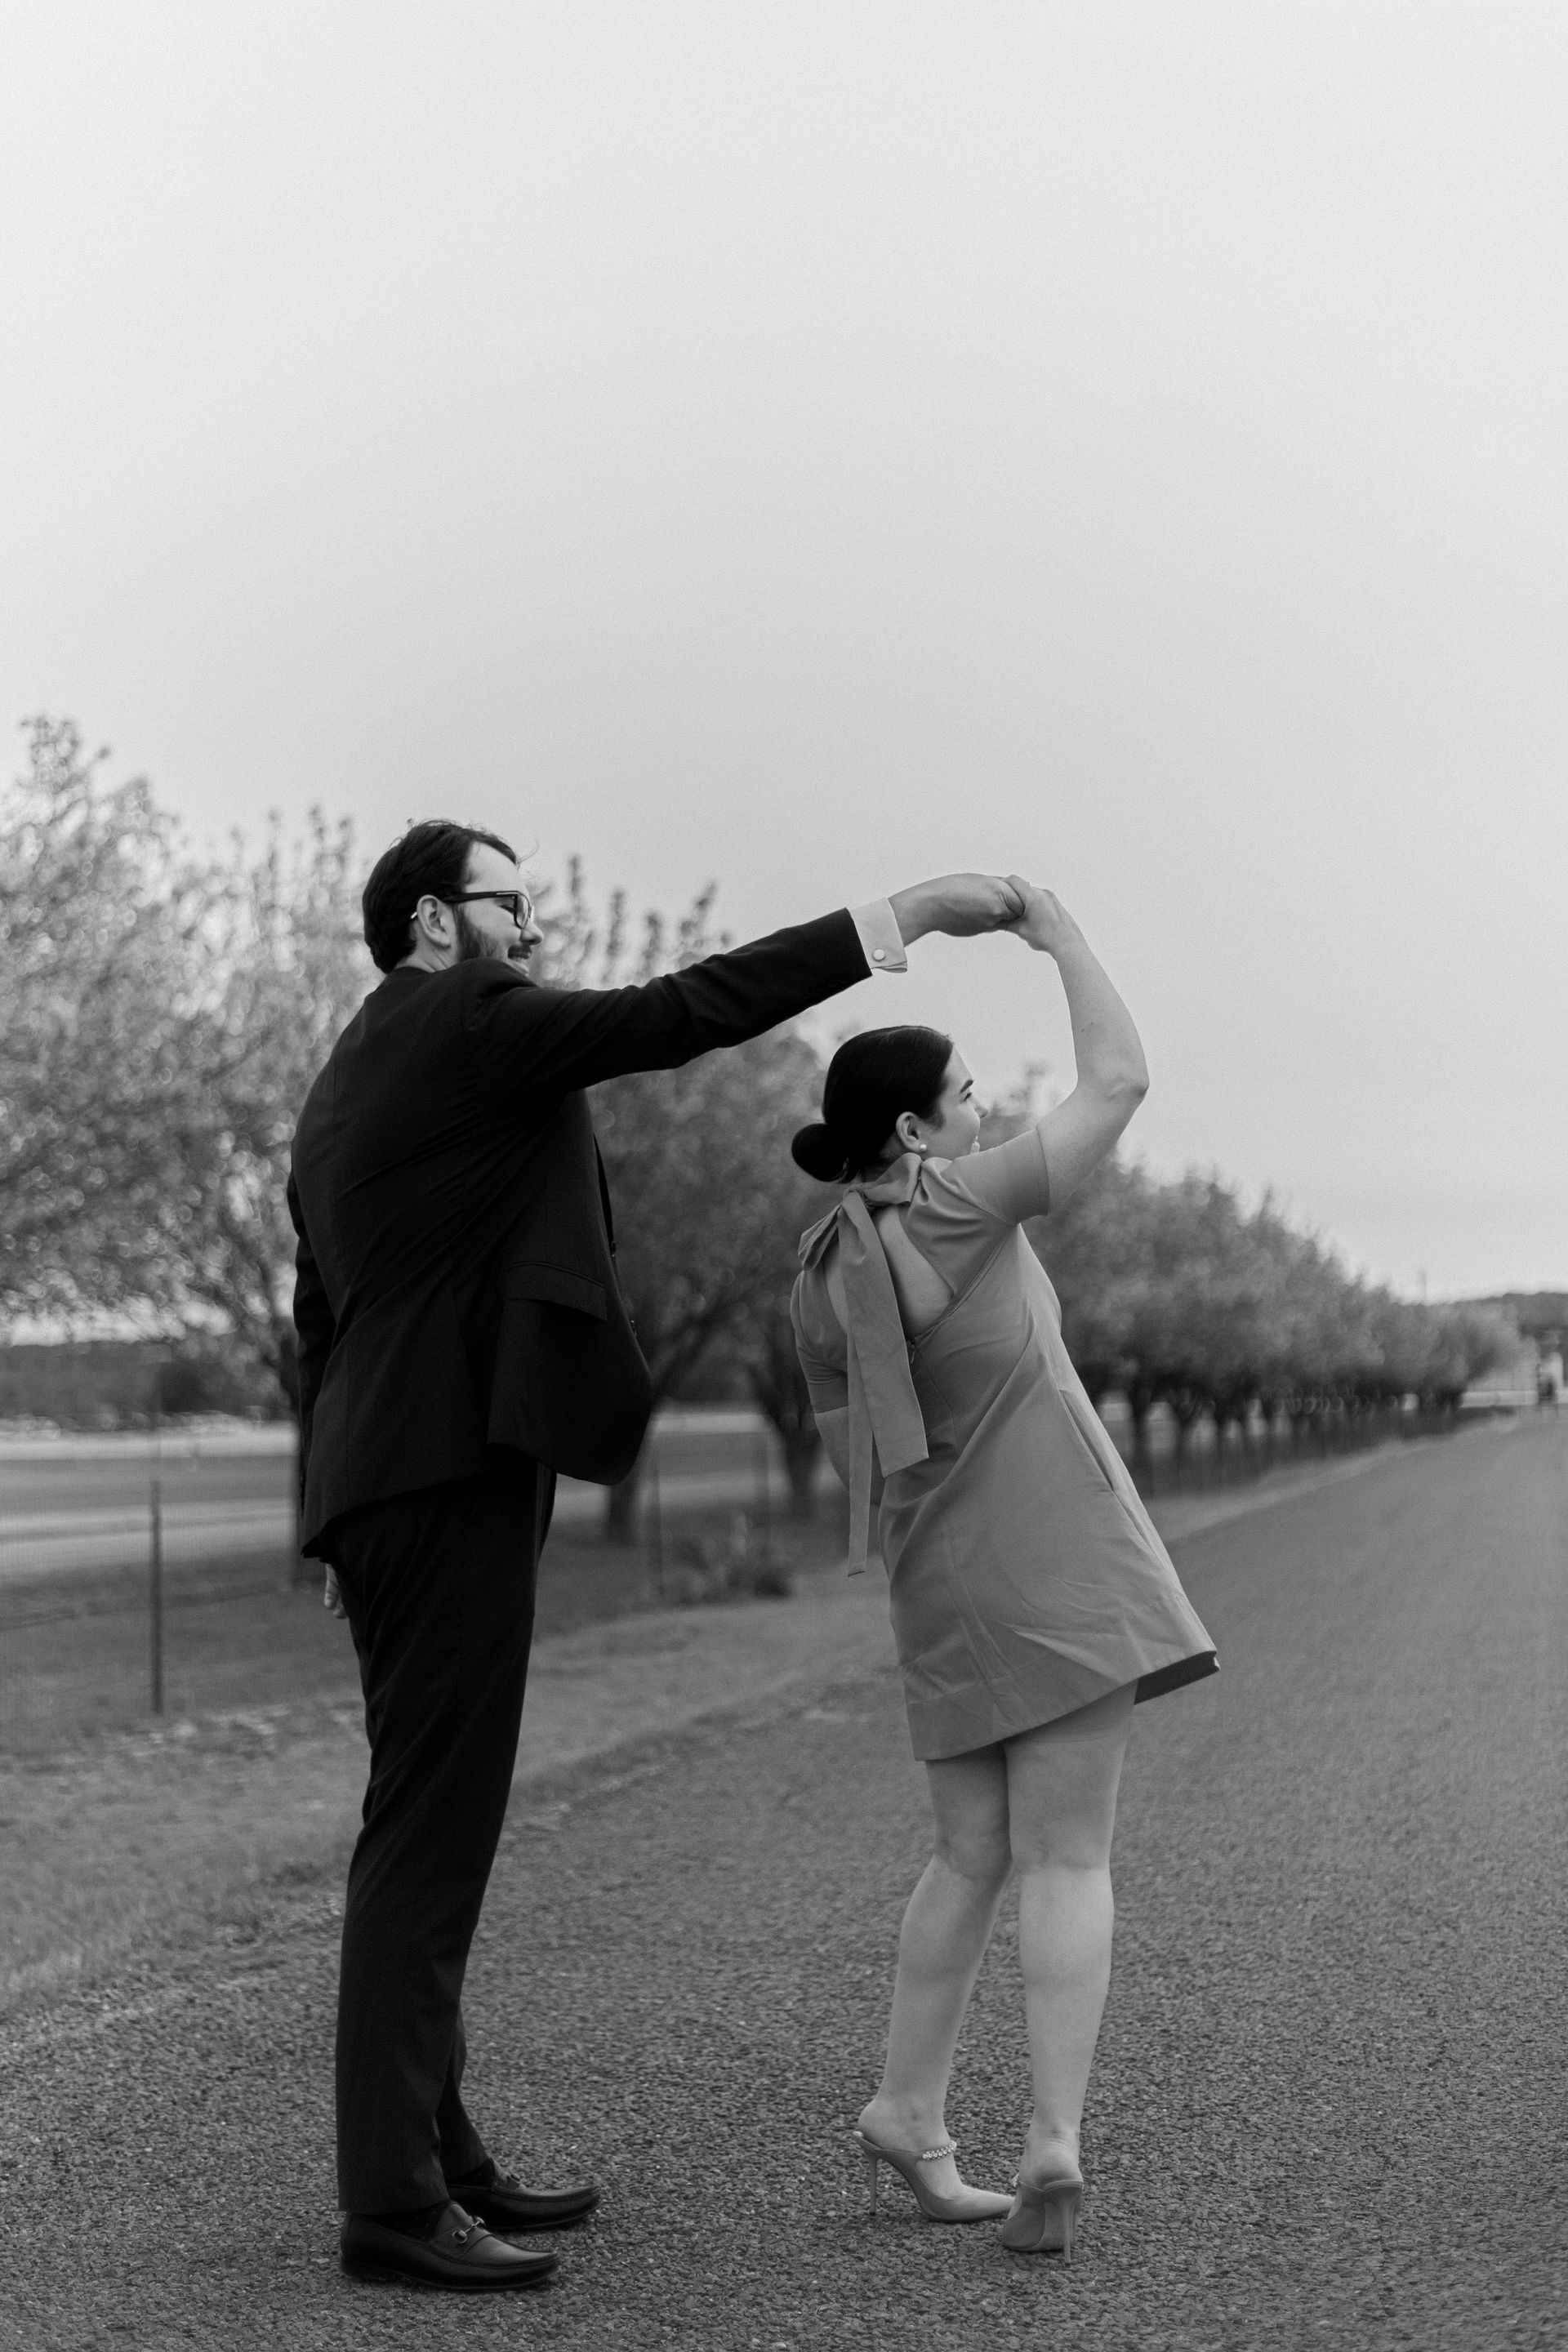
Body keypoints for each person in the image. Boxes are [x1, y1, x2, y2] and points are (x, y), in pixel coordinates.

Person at [287, 817, 1024, 2293]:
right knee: (430, 1839)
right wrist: (904, 916)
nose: (536, 933)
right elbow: (679, 1014)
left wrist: (330, 1500)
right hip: (442, 1472)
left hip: (388, 1474)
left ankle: (442, 2161)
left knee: (418, 1819)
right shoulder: (466, 1014)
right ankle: (390, 2204)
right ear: (438, 923)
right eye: (513, 906)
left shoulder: (355, 1067)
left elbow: (322, 1306)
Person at [790, 876, 1217, 2264]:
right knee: (1067, 1857)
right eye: (964, 1095)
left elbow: (868, 1452)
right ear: (913, 1132)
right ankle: (1051, 2140)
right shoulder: (961, 1208)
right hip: (1057, 1569)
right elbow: (1122, 1078)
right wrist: (1060, 935)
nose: (982, 1110)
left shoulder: (817, 1276)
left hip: (942, 1589)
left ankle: (911, 2110)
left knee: (968, 1856)